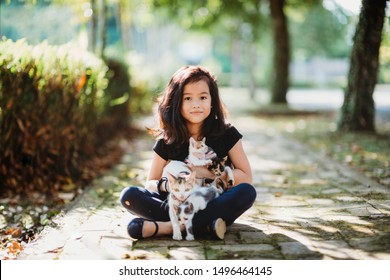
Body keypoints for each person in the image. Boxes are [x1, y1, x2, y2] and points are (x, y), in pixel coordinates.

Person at [119, 65, 256, 240]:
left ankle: (170, 227)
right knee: (129, 195)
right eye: (188, 98)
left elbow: (246, 176)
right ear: (176, 102)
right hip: (178, 202)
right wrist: (170, 185)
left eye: (203, 97)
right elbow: (151, 183)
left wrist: (204, 173)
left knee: (246, 192)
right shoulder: (167, 139)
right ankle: (206, 225)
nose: (196, 105)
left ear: (212, 100)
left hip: (213, 201)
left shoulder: (227, 133)